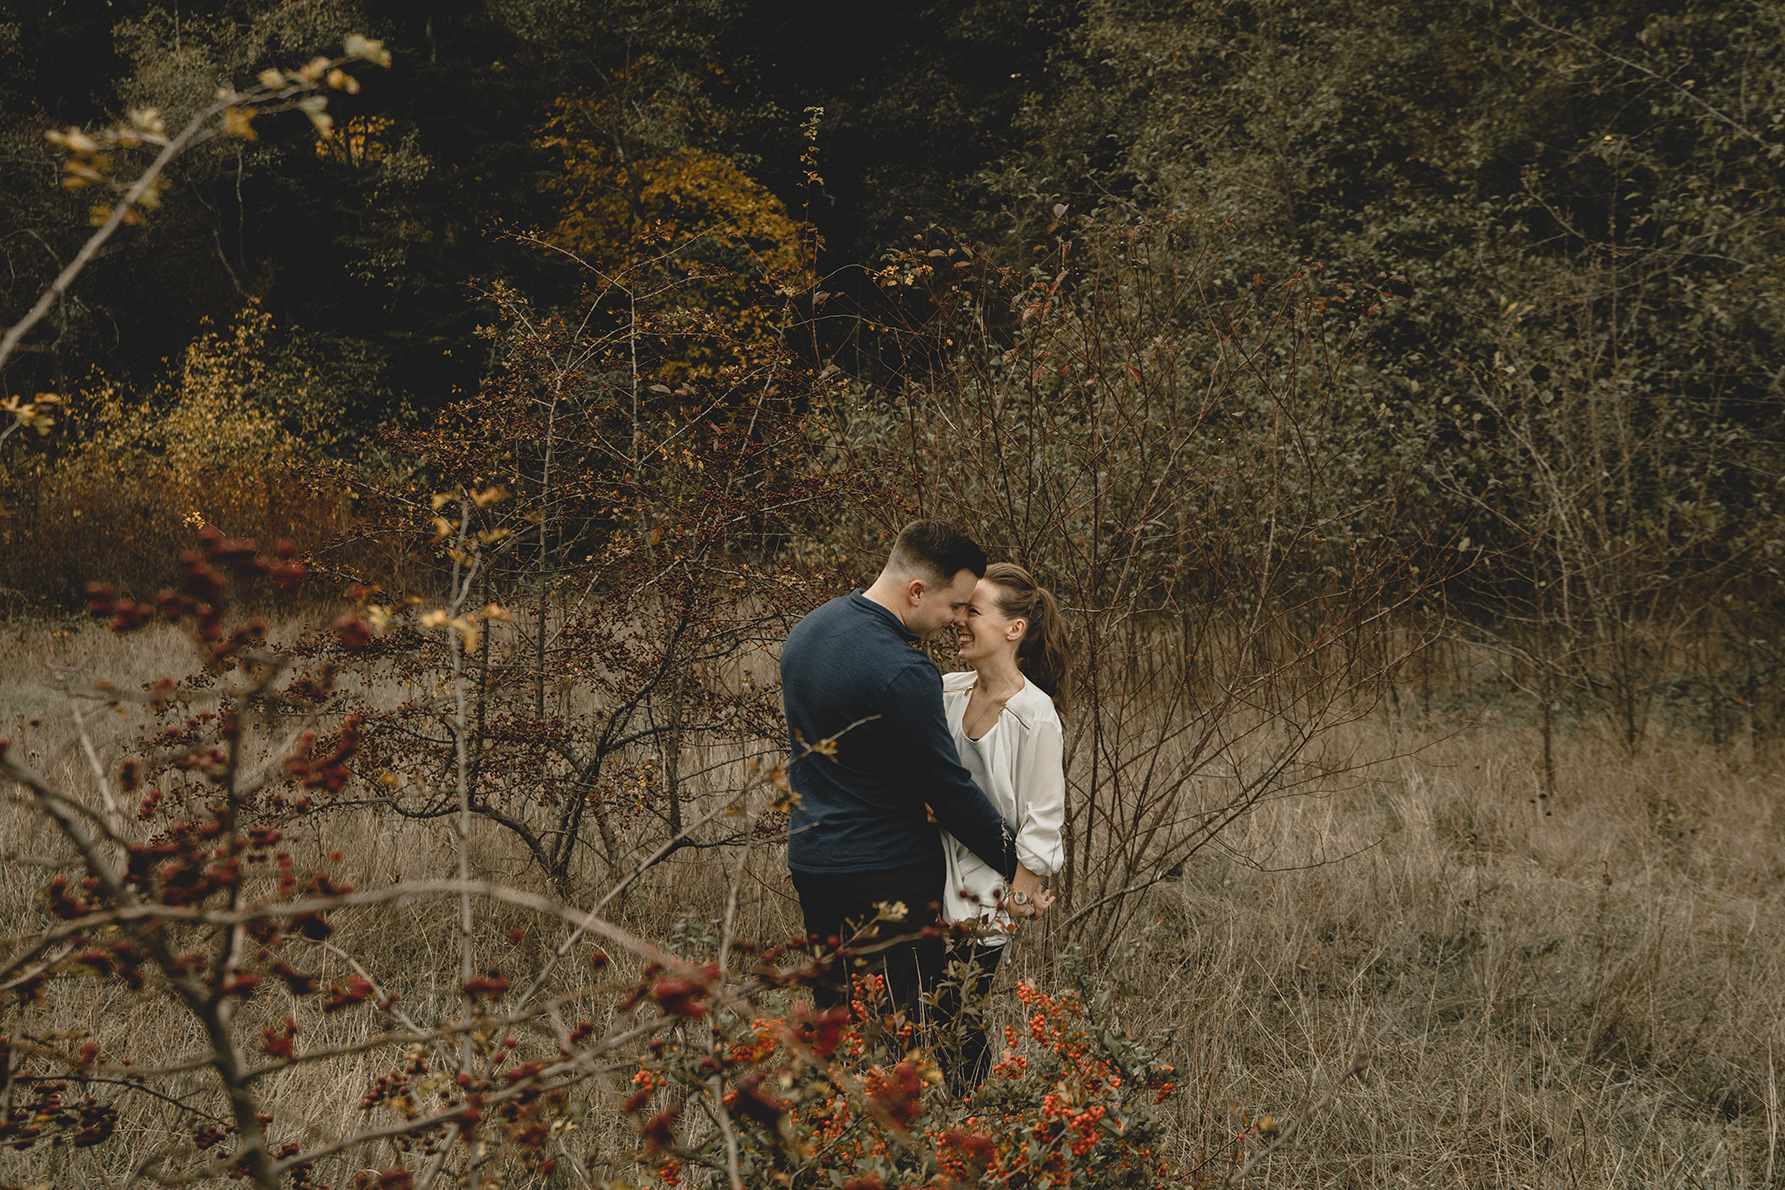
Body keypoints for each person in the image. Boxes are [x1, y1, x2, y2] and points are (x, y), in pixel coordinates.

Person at [780, 522, 1017, 1018]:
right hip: (885, 873)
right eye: (954, 605)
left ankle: (834, 1098)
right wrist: (1019, 863)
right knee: (910, 1026)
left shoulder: (809, 630)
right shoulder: (903, 670)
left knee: (837, 1020)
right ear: (916, 591)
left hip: (813, 861)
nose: (958, 619)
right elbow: (948, 790)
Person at [935, 562, 1069, 1091]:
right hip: (929, 873)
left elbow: (1042, 823)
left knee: (960, 1018)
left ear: (1014, 629)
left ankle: (977, 1125)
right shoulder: (946, 690)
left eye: (974, 611)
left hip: (986, 891)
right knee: (923, 1012)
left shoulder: (1036, 715)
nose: (960, 620)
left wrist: (1016, 899)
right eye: (960, 609)